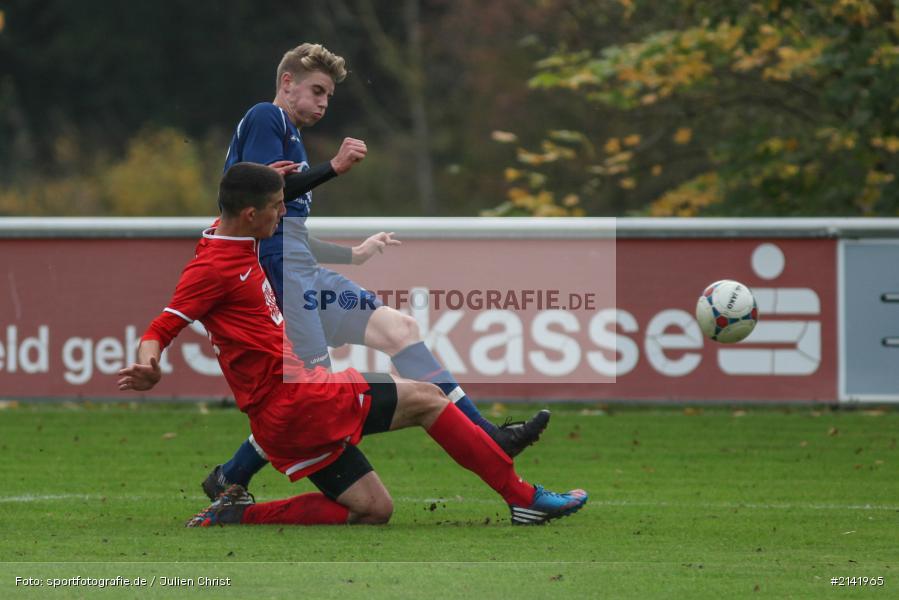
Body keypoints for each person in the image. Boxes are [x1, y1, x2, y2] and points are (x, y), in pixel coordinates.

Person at [117, 163, 587, 527]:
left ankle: (235, 513)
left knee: (373, 509)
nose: (284, 214)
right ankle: (524, 500)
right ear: (250, 215)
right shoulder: (211, 268)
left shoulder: (222, 233)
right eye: (278, 207)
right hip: (302, 399)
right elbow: (161, 327)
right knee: (429, 398)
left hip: (280, 422)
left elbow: (248, 203)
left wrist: (294, 180)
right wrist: (148, 366)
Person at [204, 42, 549, 501]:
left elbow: (287, 226)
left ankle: (487, 432)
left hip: (302, 269)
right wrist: (334, 168)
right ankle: (232, 475)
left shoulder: (288, 133)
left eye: (329, 95)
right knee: (311, 398)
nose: (324, 103)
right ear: (287, 84)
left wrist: (352, 255)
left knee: (399, 329)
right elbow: (266, 199)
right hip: (280, 275)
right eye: (317, 91)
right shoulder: (269, 117)